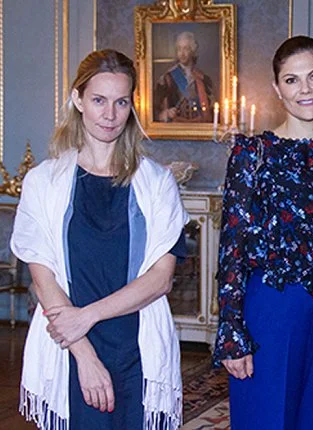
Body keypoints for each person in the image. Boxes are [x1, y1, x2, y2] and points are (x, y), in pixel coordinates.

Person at [11, 49, 188, 429]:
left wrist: (86, 317)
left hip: (136, 347)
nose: (110, 114)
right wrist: (84, 355)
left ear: (131, 105)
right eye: (98, 100)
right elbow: (44, 281)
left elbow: (161, 279)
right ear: (78, 100)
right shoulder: (43, 183)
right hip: (71, 348)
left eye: (121, 102)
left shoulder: (157, 183)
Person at [212, 35, 313, 429]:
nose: (305, 89)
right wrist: (232, 329)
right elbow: (231, 247)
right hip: (269, 309)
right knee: (265, 419)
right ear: (276, 88)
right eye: (291, 80)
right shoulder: (252, 154)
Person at [154, 31, 214, 123]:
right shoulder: (167, 78)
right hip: (175, 129)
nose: (182, 53)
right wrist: (166, 113)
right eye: (179, 49)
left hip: (199, 129)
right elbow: (154, 110)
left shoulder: (203, 79)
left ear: (192, 51)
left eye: (186, 49)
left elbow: (212, 109)